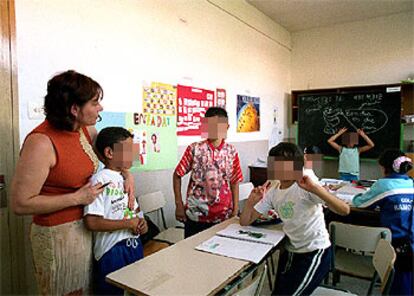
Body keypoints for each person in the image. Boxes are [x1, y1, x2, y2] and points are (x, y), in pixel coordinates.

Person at [10, 70, 134, 295]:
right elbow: (20, 204)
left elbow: (113, 155)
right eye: (95, 102)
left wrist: (127, 174)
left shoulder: (85, 130)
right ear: (74, 109)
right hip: (55, 234)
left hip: (84, 230)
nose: (101, 108)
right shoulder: (41, 142)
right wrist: (77, 198)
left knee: (84, 289)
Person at [240, 142, 350, 296]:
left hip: (314, 251)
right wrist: (251, 202)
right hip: (292, 251)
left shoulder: (305, 187)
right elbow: (245, 222)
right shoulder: (274, 191)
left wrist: (316, 189)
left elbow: (344, 210)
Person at [84, 127, 147, 296]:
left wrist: (142, 223)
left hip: (133, 246)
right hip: (111, 251)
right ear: (109, 153)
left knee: (137, 289)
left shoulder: (126, 178)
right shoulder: (100, 179)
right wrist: (128, 224)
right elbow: (92, 221)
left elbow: (136, 212)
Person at [173, 107, 243, 238]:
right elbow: (177, 175)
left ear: (227, 127)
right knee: (193, 254)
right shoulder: (195, 149)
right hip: (196, 217)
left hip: (224, 217)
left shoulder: (231, 151)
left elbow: (234, 181)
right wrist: (179, 205)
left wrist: (235, 210)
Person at [352, 149, 413, 296]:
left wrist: (359, 195)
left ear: (384, 167)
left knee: (397, 285)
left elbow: (359, 203)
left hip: (394, 242)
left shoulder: (384, 184)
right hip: (410, 241)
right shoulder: (410, 183)